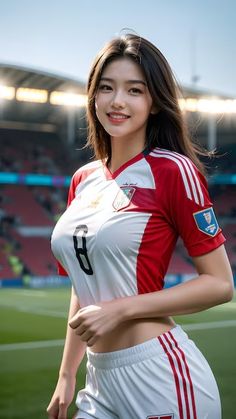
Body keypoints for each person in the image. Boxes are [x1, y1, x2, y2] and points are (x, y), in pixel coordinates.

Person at [48, 33, 234, 419]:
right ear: (93, 97)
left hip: (161, 374)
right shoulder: (82, 180)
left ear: (153, 103)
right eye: (107, 88)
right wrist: (67, 374)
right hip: (97, 382)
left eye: (135, 90)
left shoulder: (173, 170)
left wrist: (120, 311)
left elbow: (220, 284)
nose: (118, 101)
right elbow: (83, 285)